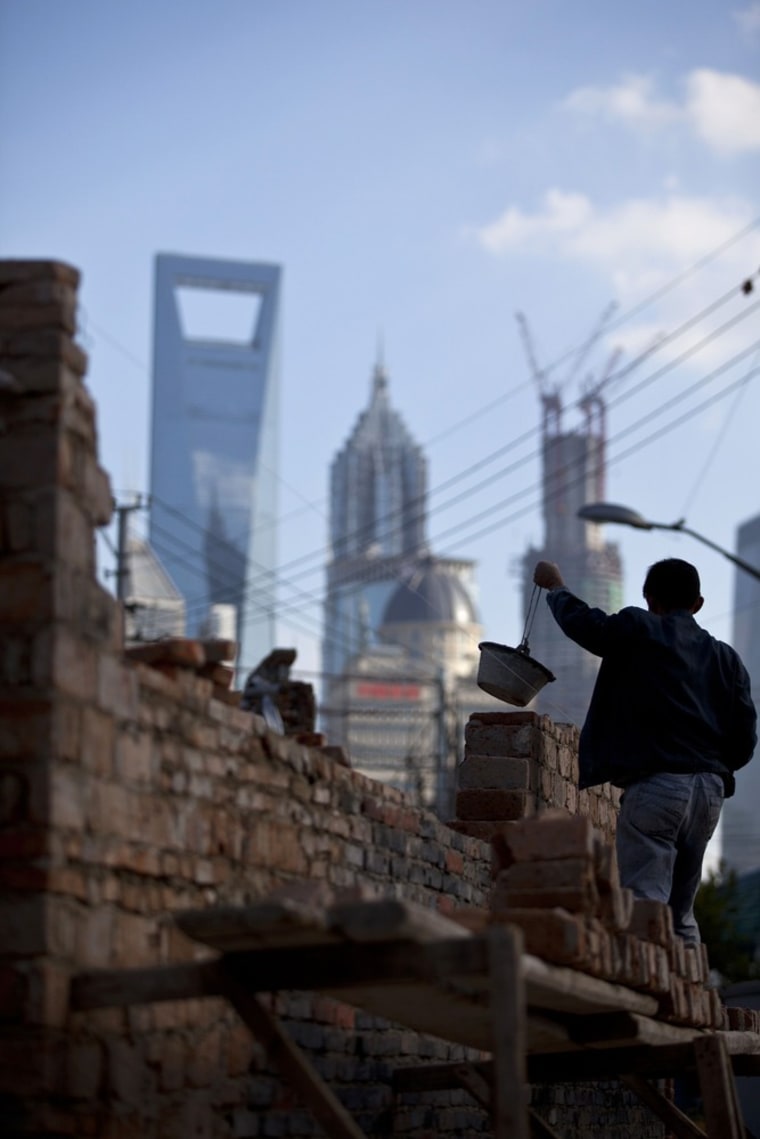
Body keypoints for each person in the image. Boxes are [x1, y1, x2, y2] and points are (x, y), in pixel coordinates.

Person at [533, 556, 757, 944]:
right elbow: (745, 740)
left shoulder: (639, 627)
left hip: (658, 787)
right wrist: (712, 767)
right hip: (709, 793)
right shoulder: (727, 659)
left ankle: (650, 998)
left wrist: (555, 587)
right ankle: (686, 998)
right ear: (698, 604)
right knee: (681, 916)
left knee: (644, 906)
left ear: (649, 599)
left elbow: (587, 626)